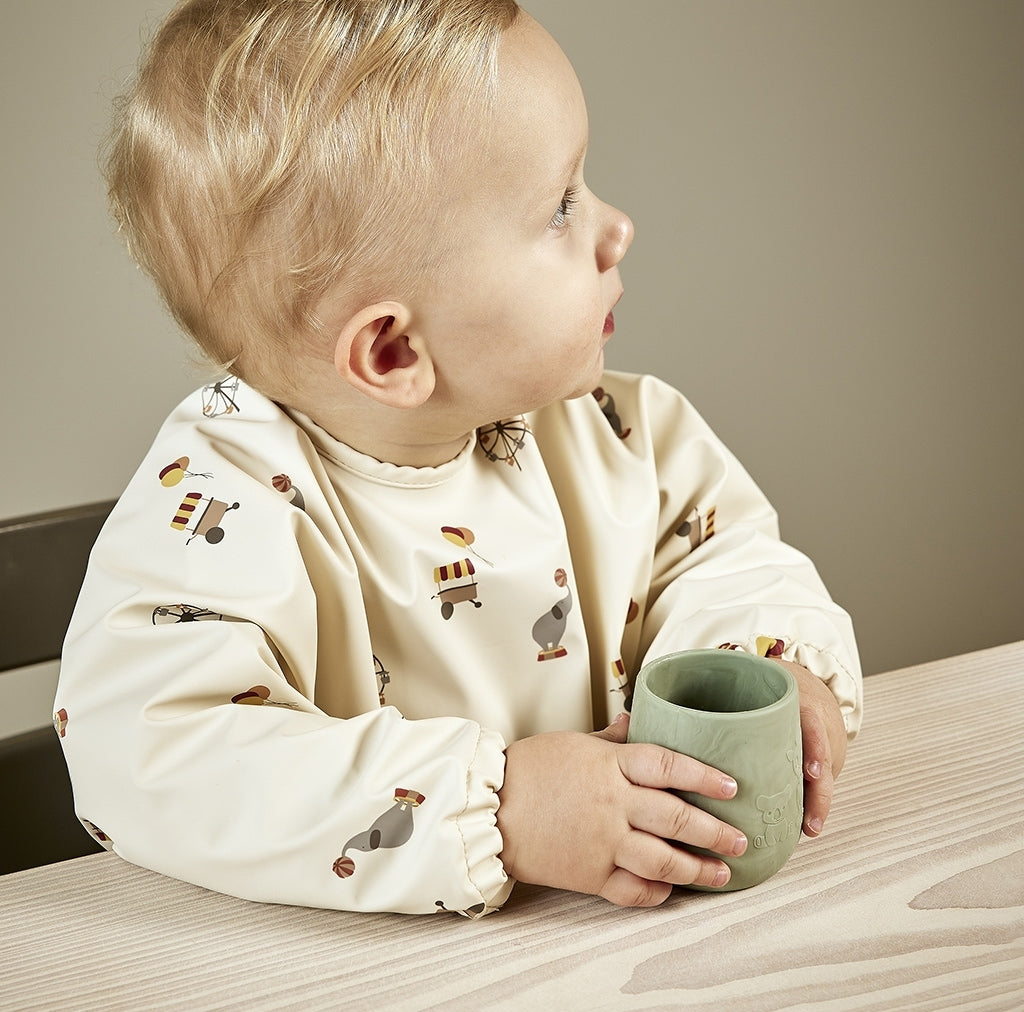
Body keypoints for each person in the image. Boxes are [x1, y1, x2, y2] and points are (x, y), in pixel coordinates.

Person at [55, 0, 861, 917]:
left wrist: (766, 662)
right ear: (394, 353)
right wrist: (500, 807)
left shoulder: (618, 431)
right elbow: (146, 752)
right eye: (560, 207)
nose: (615, 227)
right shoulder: (222, 504)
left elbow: (725, 557)